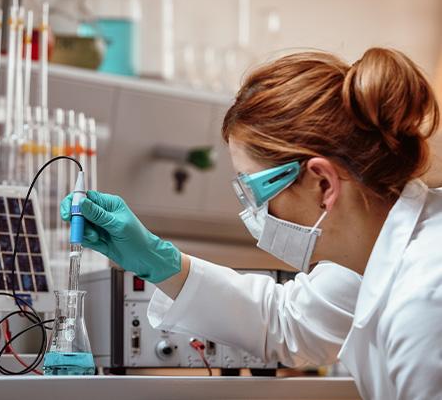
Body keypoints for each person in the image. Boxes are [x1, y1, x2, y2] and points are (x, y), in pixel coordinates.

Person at [61, 48, 442, 399]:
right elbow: (286, 321)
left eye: (254, 191)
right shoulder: (367, 259)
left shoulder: (423, 303)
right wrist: (161, 261)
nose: (251, 213)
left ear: (323, 184)